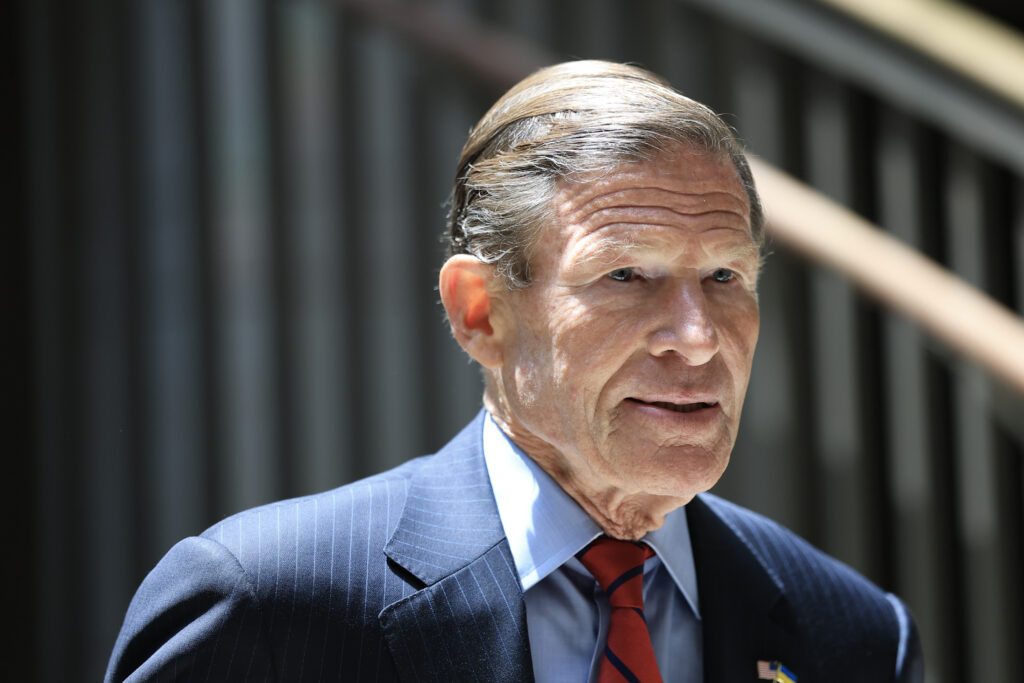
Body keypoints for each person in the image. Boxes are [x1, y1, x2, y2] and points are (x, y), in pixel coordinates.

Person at [106, 60, 922, 683]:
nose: (697, 337)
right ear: (481, 313)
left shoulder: (851, 634)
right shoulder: (268, 606)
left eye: (724, 276)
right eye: (625, 276)